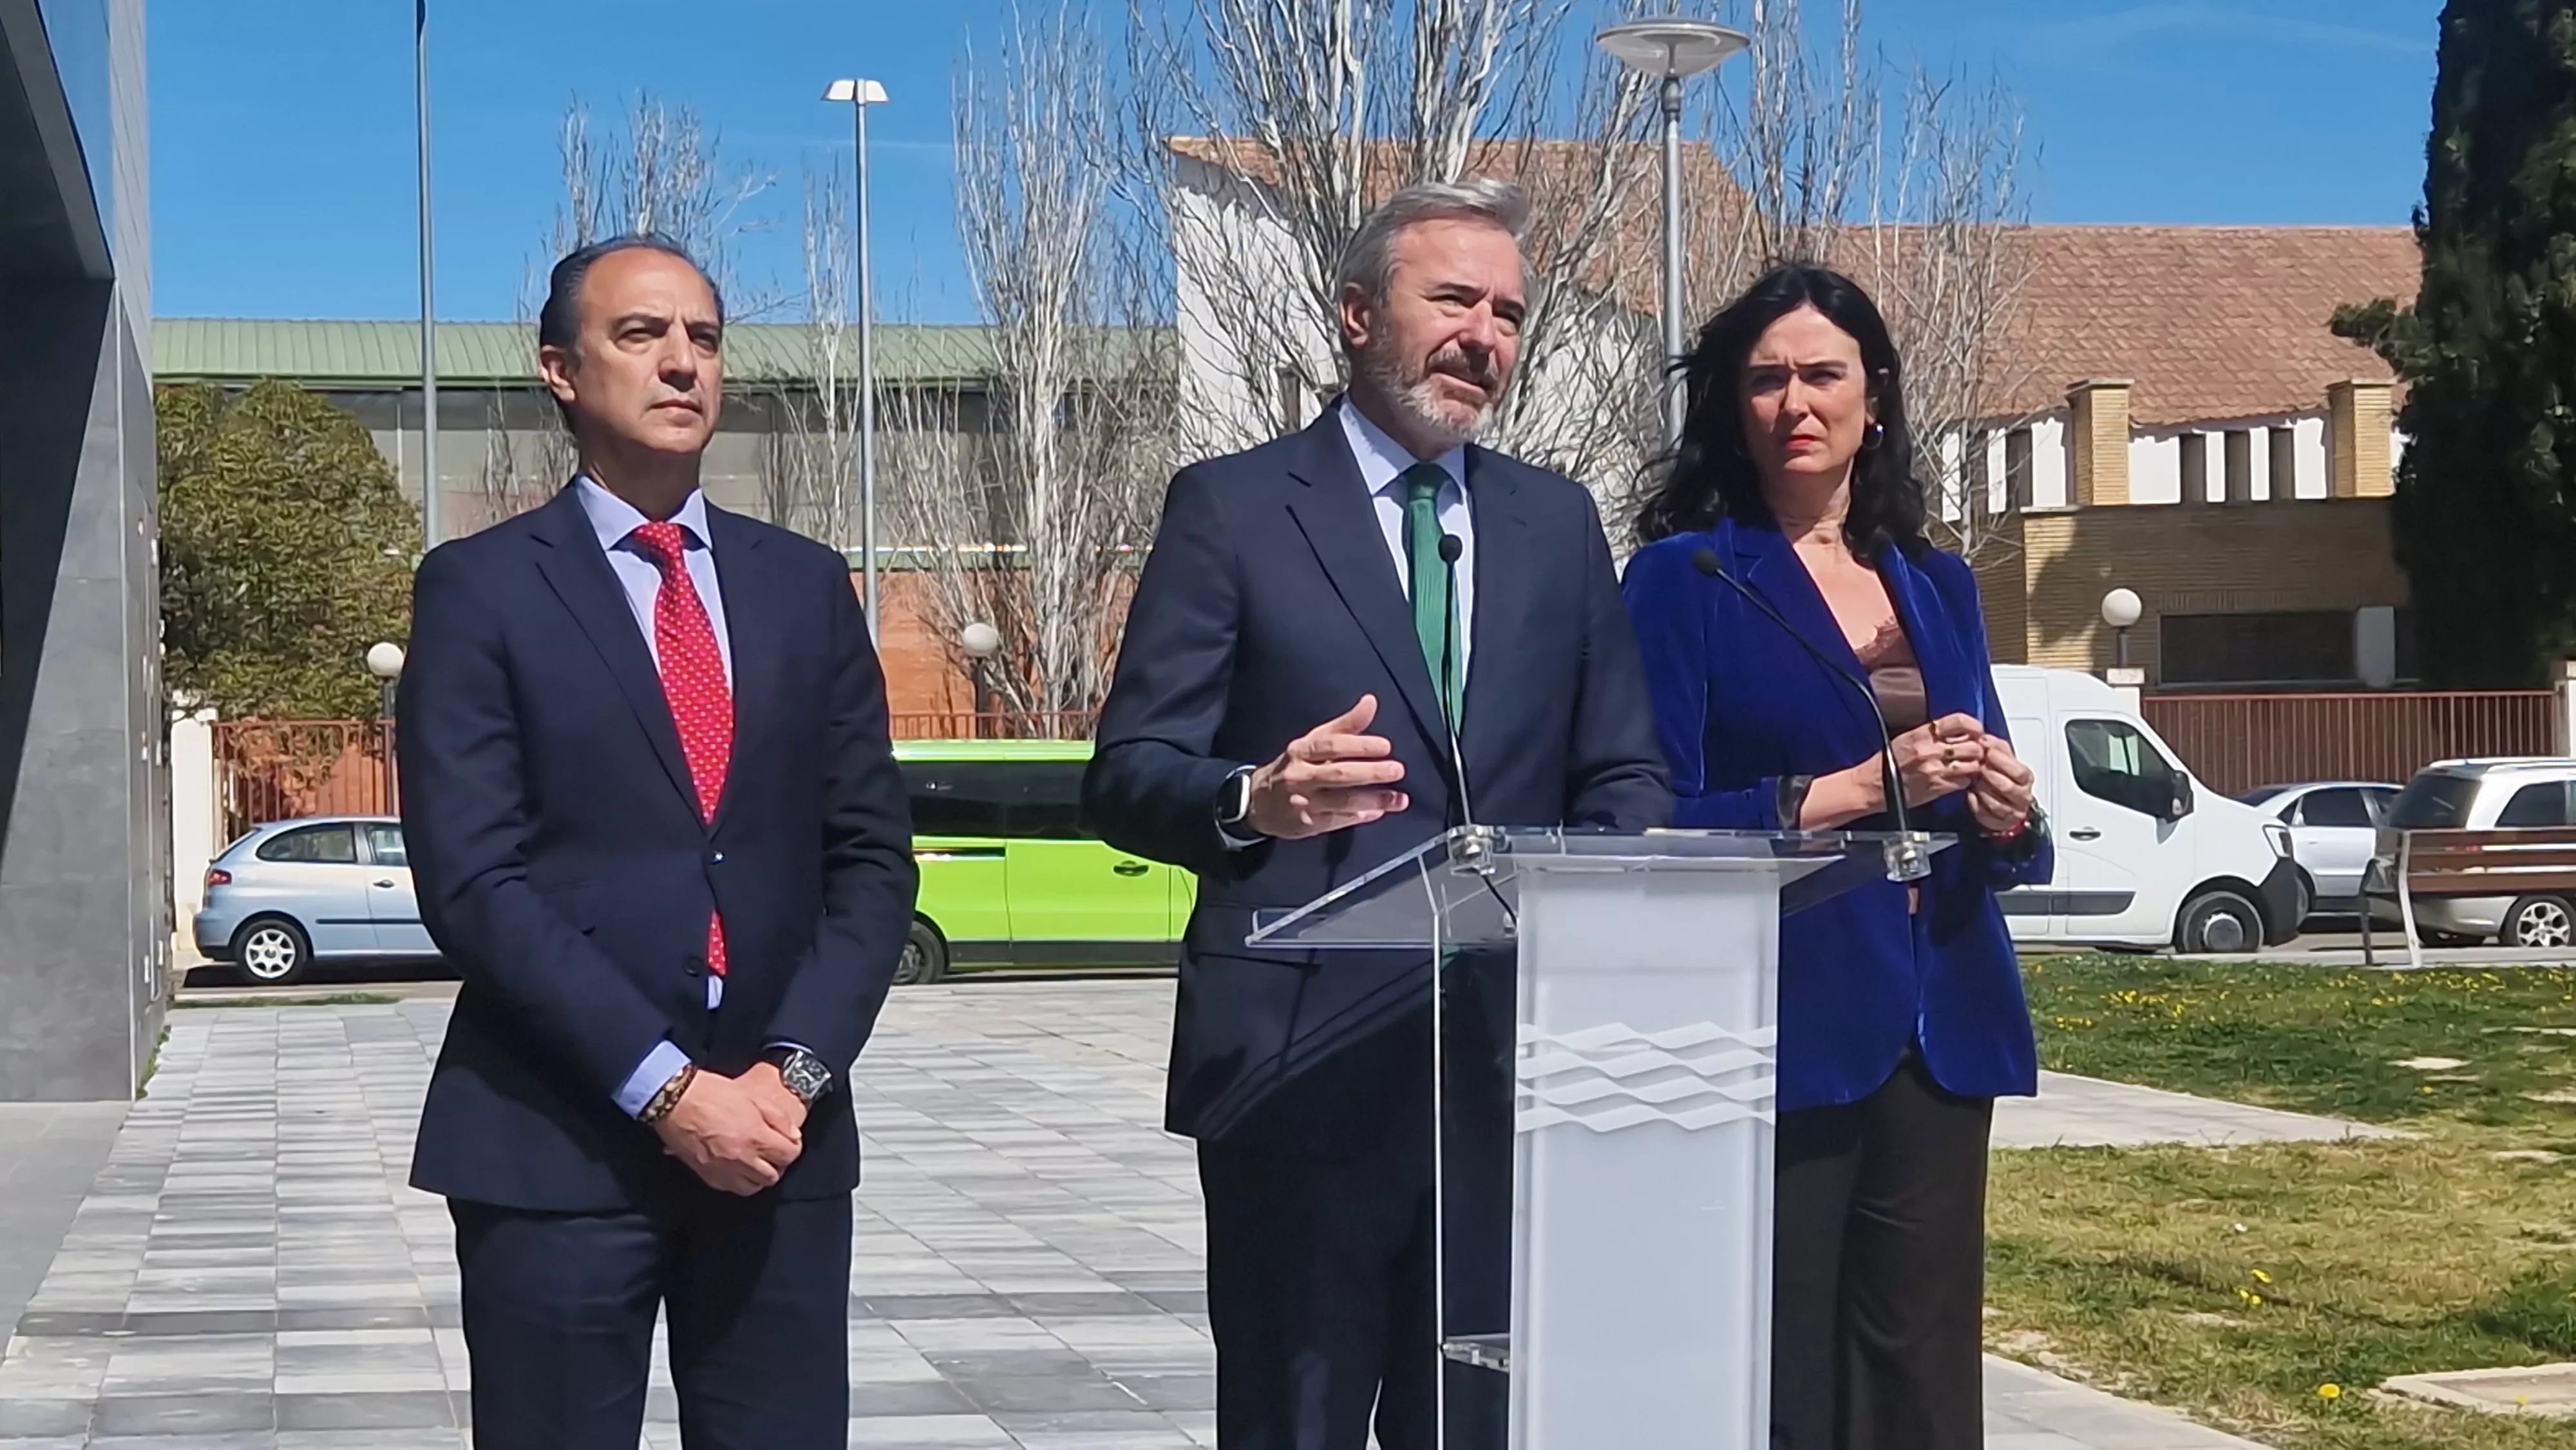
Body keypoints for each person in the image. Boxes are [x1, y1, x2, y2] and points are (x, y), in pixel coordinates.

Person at [1083, 178, 1669, 1449]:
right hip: (1298, 1074)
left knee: (1472, 1425)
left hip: (1508, 1077)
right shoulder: (1231, 507)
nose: (1483, 336)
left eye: (1508, 313)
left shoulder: (1554, 523)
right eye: (1451, 298)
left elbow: (1623, 773)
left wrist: (1602, 888)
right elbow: (1127, 770)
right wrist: (1252, 797)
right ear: (1355, 312)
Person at [396, 234, 918, 1450]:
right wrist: (668, 1091)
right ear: (562, 372)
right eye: (643, 335)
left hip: (780, 1145)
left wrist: (785, 1081)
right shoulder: (480, 590)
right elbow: (475, 881)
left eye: (704, 338)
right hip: (557, 1147)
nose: (683, 363)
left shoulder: (805, 586)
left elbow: (873, 861)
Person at [1618, 264, 2051, 1448]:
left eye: (1822, 375)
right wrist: (1856, 790)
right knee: (1779, 1371)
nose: (1795, 403)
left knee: (1922, 1375)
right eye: (1765, 380)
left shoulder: (1939, 583)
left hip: (1942, 1023)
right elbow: (1641, 827)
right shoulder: (1686, 578)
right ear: (1730, 406)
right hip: (1776, 1026)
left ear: (1878, 397)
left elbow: (2002, 817)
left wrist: (2008, 809)